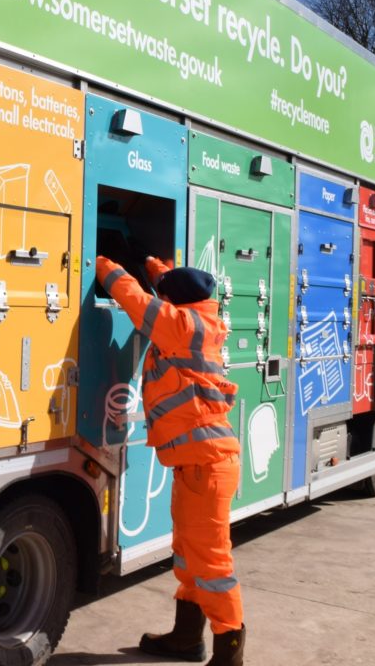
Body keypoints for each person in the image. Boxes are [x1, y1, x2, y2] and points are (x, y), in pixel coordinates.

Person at [95, 252, 245, 666]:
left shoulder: (180, 325)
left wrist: (101, 262)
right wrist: (156, 268)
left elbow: (136, 301)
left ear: (175, 302)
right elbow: (173, 290)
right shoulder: (198, 317)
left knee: (212, 563)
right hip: (197, 465)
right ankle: (185, 638)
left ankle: (230, 651)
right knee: (188, 554)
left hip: (207, 466)